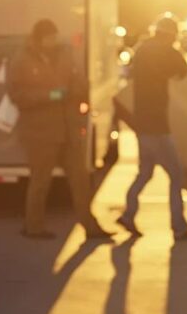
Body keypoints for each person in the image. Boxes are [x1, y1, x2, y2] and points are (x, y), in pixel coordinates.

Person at [7, 19, 112, 241]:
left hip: (69, 129)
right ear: (38, 39)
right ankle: (33, 227)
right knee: (40, 182)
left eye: (54, 37)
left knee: (81, 180)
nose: (53, 42)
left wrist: (76, 90)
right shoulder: (22, 60)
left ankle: (90, 227)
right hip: (40, 133)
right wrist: (49, 95)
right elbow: (17, 95)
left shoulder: (66, 54)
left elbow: (79, 80)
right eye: (48, 38)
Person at [118, 14, 187, 241]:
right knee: (177, 175)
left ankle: (128, 214)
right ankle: (179, 227)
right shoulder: (166, 51)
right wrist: (175, 51)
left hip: (142, 124)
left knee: (144, 173)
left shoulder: (142, 50)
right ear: (171, 35)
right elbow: (183, 70)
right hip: (157, 126)